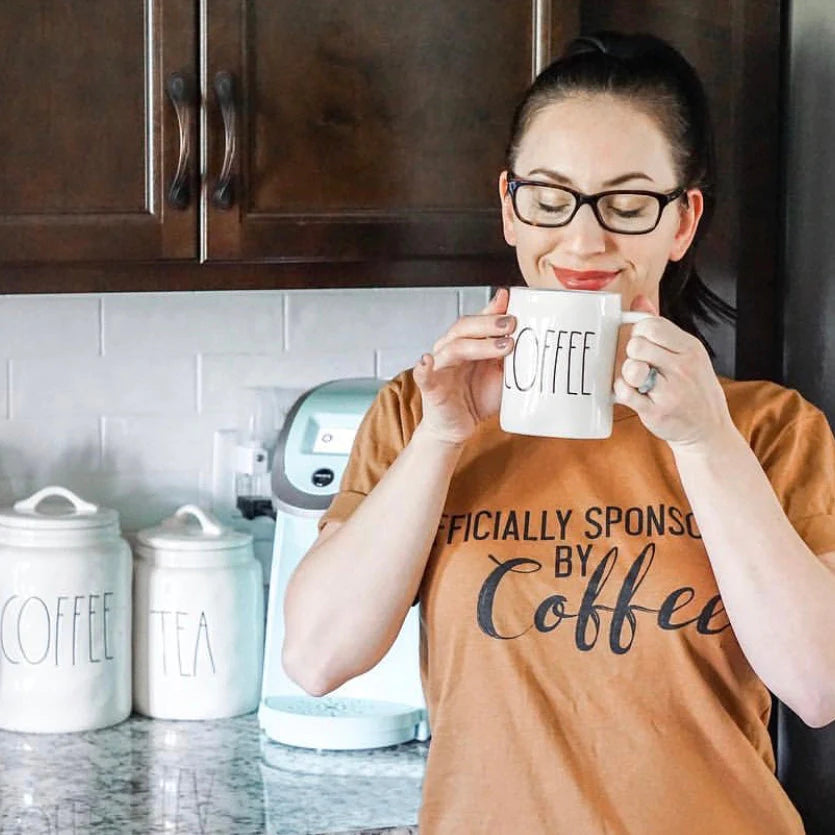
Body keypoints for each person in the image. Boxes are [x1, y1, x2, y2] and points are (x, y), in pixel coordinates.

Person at [282, 31, 835, 834]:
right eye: (550, 197)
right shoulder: (420, 410)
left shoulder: (768, 429)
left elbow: (817, 686)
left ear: (681, 223)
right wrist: (443, 436)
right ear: (509, 207)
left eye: (628, 202)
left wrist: (703, 441)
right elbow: (315, 658)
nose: (582, 240)